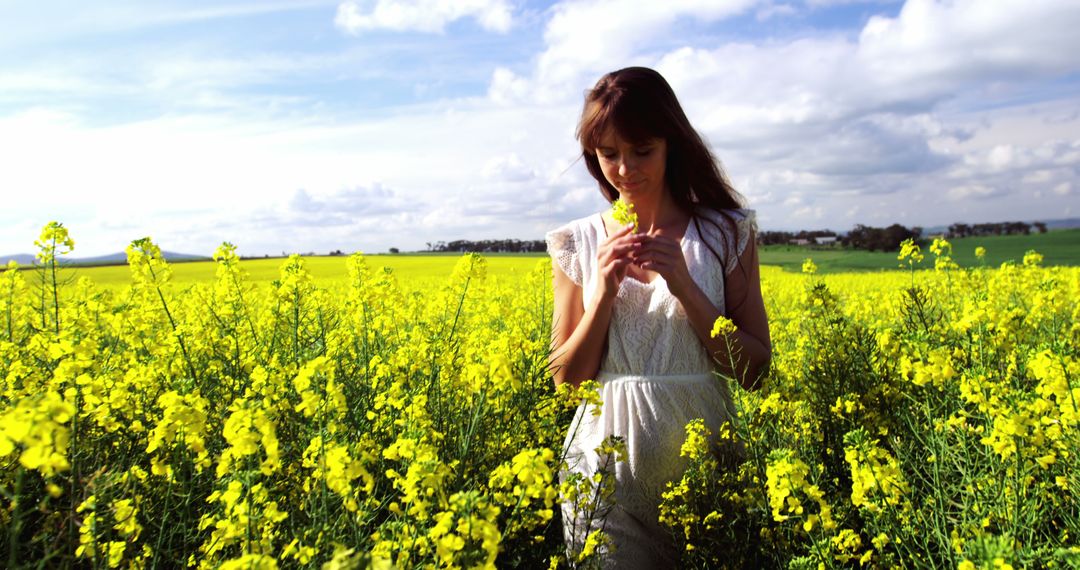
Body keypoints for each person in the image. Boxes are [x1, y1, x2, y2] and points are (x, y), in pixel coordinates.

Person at [545, 66, 771, 567]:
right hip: (602, 478)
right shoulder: (576, 241)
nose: (624, 169)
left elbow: (754, 370)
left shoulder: (725, 233)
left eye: (641, 150)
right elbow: (566, 382)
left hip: (707, 470)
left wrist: (688, 289)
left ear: (672, 143)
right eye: (608, 154)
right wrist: (601, 293)